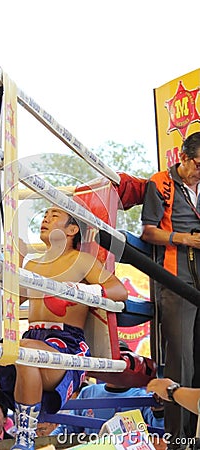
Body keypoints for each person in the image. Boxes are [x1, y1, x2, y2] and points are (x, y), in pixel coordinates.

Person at [0, 206, 128, 450]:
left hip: (66, 344)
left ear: (72, 229)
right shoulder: (33, 266)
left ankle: (24, 439)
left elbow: (120, 291)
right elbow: (8, 303)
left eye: (54, 215)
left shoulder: (81, 260)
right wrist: (15, 263)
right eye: (44, 214)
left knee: (25, 352)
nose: (45, 218)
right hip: (31, 339)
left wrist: (78, 292)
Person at [141, 131, 200, 449]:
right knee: (181, 361)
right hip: (177, 281)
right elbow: (148, 231)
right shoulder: (160, 182)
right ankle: (179, 441)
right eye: (199, 165)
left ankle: (195, 436)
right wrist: (184, 238)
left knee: (198, 361)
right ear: (184, 157)